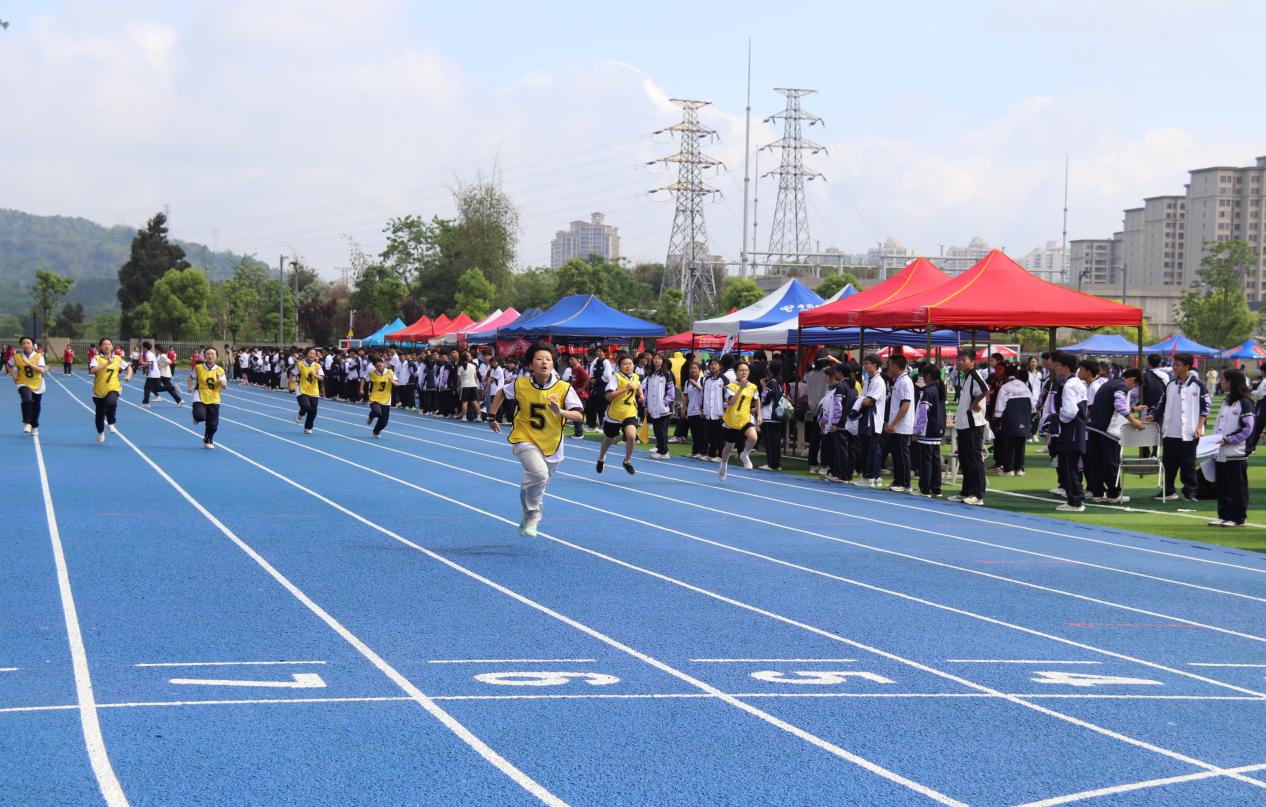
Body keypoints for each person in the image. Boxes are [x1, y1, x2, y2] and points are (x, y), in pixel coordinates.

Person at [488, 343, 584, 537]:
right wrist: (492, 416)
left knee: (539, 482)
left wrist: (560, 411)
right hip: (524, 437)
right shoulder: (520, 383)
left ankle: (528, 513)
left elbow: (579, 415)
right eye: (539, 359)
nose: (544, 362)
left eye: (548, 359)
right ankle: (533, 515)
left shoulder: (564, 388)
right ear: (531, 364)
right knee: (539, 475)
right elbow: (501, 393)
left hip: (552, 443)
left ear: (553, 363)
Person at [1148, 352, 1210, 502]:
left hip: (1189, 432)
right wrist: (1153, 415)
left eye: (1177, 365)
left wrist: (1199, 427)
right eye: (1173, 364)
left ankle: (1190, 492)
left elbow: (1206, 407)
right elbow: (1162, 403)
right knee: (1169, 464)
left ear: (1187, 367)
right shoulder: (1170, 385)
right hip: (1170, 431)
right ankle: (1168, 490)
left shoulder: (1198, 385)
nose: (1174, 367)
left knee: (1188, 464)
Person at [1086, 367, 1145, 504]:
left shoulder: (1109, 383)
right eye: (1135, 385)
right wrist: (1134, 420)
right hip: (1107, 431)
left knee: (1096, 463)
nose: (1132, 388)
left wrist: (1132, 409)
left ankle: (1097, 493)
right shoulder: (1122, 385)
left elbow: (1109, 405)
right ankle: (1114, 494)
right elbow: (1119, 404)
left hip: (1094, 428)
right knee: (1111, 464)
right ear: (1132, 379)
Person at [1210, 368, 1255, 528]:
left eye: (1223, 379)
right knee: (1222, 485)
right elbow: (1219, 425)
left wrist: (1229, 439)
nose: (1220, 382)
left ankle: (1238, 517)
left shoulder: (1245, 402)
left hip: (1236, 452)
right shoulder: (1227, 400)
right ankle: (1224, 515)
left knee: (1236, 487)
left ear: (1231, 382)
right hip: (1221, 451)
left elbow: (1248, 428)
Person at [1049, 354, 1089, 512]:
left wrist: (1058, 418)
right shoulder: (1078, 383)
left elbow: (1070, 411)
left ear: (1065, 368)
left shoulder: (1069, 385)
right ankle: (1075, 499)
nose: (1055, 368)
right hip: (1077, 430)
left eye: (1057, 366)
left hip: (1070, 431)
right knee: (1071, 467)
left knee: (1068, 467)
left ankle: (1075, 502)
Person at [948, 353, 988, 505]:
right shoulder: (967, 376)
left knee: (974, 459)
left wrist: (974, 404)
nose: (960, 362)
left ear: (972, 362)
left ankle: (978, 495)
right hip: (964, 424)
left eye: (963, 360)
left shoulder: (975, 375)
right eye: (958, 360)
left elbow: (985, 389)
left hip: (973, 424)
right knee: (965, 459)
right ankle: (966, 491)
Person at [597, 354, 642, 475]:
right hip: (615, 414)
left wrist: (641, 394)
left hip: (630, 412)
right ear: (620, 366)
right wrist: (625, 389)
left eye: (630, 364)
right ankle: (601, 458)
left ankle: (627, 461)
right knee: (609, 439)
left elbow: (638, 385)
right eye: (625, 364)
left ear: (634, 365)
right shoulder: (615, 377)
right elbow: (608, 396)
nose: (628, 366)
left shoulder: (636, 376)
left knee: (631, 437)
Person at [718, 360, 762, 481]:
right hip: (731, 420)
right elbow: (731, 402)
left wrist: (759, 415)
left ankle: (744, 454)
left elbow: (757, 399)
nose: (744, 372)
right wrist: (741, 388)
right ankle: (723, 465)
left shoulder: (753, 386)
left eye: (746, 370)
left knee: (753, 437)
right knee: (729, 447)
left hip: (745, 418)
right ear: (736, 372)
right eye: (741, 370)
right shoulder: (730, 386)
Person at [993, 364, 1034, 476]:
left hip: (1010, 417)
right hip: (1024, 417)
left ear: (1006, 374)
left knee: (1009, 443)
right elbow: (1032, 404)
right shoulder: (1024, 386)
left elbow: (1000, 405)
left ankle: (1008, 469)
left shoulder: (1005, 387)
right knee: (1021, 443)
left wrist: (997, 418)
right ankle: (1019, 468)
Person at [89, 338, 132, 443]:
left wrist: (129, 375)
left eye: (109, 344)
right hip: (99, 391)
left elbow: (128, 367)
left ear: (112, 346)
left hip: (114, 387)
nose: (107, 346)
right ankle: (100, 432)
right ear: (100, 347)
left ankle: (111, 422)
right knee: (99, 415)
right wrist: (106, 363)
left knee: (111, 402)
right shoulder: (96, 358)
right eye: (104, 344)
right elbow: (92, 370)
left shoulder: (117, 358)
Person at [883, 355, 915, 492]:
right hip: (896, 425)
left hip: (902, 425)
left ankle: (904, 483)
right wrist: (889, 422)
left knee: (902, 454)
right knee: (897, 454)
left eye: (889, 365)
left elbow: (905, 404)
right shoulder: (899, 381)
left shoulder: (905, 382)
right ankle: (898, 480)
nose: (888, 367)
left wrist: (894, 423)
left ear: (895, 366)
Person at [912, 364, 945, 497]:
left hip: (928, 429)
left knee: (926, 460)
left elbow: (923, 413)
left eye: (923, 376)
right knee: (935, 460)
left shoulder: (928, 391)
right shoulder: (940, 389)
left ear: (928, 376)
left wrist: (917, 431)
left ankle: (925, 488)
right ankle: (936, 488)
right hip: (938, 428)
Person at [855, 354, 887, 487]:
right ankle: (874, 476)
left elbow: (868, 401)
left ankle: (871, 477)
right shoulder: (869, 381)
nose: (865, 366)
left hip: (873, 419)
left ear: (875, 365)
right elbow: (863, 398)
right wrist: (861, 401)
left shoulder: (878, 381)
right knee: (869, 448)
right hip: (867, 418)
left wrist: (858, 402)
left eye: (867, 363)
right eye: (864, 364)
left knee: (871, 449)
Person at [188, 347, 228, 448]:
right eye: (208, 354)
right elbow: (191, 377)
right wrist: (190, 386)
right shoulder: (198, 368)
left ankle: (208, 440)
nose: (210, 356)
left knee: (213, 425)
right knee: (200, 416)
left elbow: (224, 386)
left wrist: (220, 379)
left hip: (214, 397)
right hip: (200, 394)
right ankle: (196, 417)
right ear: (204, 356)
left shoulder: (220, 370)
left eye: (212, 354)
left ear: (216, 356)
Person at [7, 336, 46, 435]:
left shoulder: (39, 356)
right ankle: (27, 422)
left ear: (32, 345)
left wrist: (28, 363)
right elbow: (8, 365)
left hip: (37, 383)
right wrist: (13, 375)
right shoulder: (17, 357)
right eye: (24, 343)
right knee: (27, 399)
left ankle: (34, 426)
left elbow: (42, 370)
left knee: (36, 406)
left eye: (28, 343)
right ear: (21, 345)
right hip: (23, 382)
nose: (26, 345)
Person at [644, 353, 677, 460]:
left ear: (663, 361)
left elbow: (671, 390)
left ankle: (664, 452)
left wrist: (665, 402)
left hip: (663, 408)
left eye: (659, 359)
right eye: (655, 358)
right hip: (653, 408)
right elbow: (647, 391)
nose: (657, 360)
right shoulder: (650, 375)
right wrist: (646, 405)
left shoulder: (666, 374)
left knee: (662, 431)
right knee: (657, 430)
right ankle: (660, 449)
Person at [758, 362, 786, 471]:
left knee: (770, 442)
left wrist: (763, 387)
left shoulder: (771, 383)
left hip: (770, 415)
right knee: (775, 442)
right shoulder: (781, 382)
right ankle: (775, 463)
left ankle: (772, 464)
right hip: (778, 415)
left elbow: (765, 399)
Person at [362, 355, 398, 437]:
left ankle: (376, 431)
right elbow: (363, 379)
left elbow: (397, 384)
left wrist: (392, 381)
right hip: (375, 397)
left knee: (384, 421)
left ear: (383, 364)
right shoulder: (372, 373)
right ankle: (371, 416)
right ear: (375, 367)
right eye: (377, 366)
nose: (380, 367)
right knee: (377, 412)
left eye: (381, 365)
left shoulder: (389, 372)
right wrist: (361, 389)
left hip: (386, 399)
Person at [294, 348, 324, 434]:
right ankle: (301, 414)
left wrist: (315, 375)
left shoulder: (317, 366)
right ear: (306, 354)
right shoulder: (300, 364)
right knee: (306, 406)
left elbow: (321, 378)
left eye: (314, 354)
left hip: (313, 390)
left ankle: (308, 427)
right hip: (302, 389)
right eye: (310, 353)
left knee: (313, 411)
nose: (312, 355)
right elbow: (293, 373)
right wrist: (290, 383)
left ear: (316, 356)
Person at [701, 358, 727, 460]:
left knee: (720, 435)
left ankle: (721, 455)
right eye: (711, 364)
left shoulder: (724, 379)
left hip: (720, 411)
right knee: (710, 434)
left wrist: (725, 410)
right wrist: (702, 409)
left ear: (720, 366)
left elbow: (727, 395)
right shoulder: (707, 380)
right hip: (708, 411)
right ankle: (711, 454)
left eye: (716, 364)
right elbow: (704, 395)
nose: (713, 366)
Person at [682, 361, 706, 459]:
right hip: (691, 410)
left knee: (701, 432)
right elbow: (686, 397)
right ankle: (695, 451)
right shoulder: (687, 382)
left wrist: (696, 384)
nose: (693, 370)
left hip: (700, 410)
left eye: (695, 368)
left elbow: (705, 392)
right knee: (694, 432)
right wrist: (684, 409)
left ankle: (702, 451)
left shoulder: (703, 380)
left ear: (699, 370)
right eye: (692, 368)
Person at [565, 355, 589, 438]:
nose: (570, 361)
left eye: (572, 359)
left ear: (578, 360)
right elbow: (574, 381)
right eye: (569, 359)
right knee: (574, 412)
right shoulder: (573, 369)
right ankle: (577, 432)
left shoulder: (580, 369)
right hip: (575, 394)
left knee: (578, 413)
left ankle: (579, 433)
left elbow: (587, 379)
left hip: (581, 395)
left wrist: (582, 388)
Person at [456, 351, 480, 422]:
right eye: (469, 356)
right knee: (475, 402)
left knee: (464, 402)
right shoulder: (473, 366)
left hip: (465, 386)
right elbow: (475, 377)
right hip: (473, 385)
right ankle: (478, 417)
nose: (470, 357)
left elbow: (459, 379)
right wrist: (477, 385)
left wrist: (458, 387)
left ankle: (464, 417)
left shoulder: (460, 367)